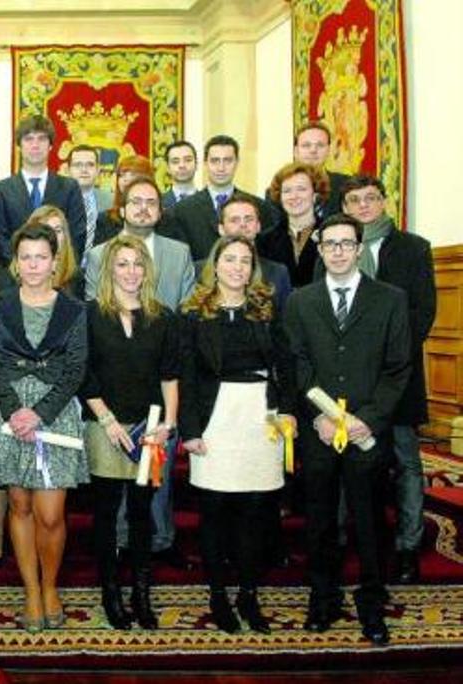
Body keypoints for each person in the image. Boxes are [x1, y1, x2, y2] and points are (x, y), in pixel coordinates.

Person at [284, 213, 411, 645]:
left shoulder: (390, 299)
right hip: (320, 432)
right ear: (319, 251)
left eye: (346, 244)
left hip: (366, 434)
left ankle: (372, 603)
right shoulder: (301, 301)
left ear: (359, 249)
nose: (337, 251)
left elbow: (398, 369)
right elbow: (295, 364)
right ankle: (323, 599)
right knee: (319, 521)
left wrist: (367, 419)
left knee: (370, 522)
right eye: (329, 244)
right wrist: (315, 416)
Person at [180, 236, 296, 635]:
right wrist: (190, 430)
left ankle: (248, 593)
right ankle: (218, 596)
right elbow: (188, 378)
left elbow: (287, 365)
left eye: (245, 261)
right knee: (214, 514)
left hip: (260, 420)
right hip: (216, 421)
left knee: (255, 513)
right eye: (229, 259)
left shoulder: (267, 309)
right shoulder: (195, 313)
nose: (237, 267)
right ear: (215, 264)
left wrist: (288, 413)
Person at [0, 224, 89, 632]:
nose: (34, 265)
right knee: (20, 505)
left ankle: (51, 585)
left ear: (55, 261)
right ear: (15, 262)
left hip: (54, 413)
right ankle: (31, 592)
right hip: (8, 412)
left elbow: (76, 366)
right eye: (26, 257)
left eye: (41, 256)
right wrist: (14, 411)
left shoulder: (74, 309)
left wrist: (39, 412)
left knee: (50, 513)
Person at [80, 234, 180, 631]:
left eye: (137, 264)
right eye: (122, 264)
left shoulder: (162, 316)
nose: (131, 272)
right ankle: (111, 593)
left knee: (142, 515)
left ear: (147, 270)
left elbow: (170, 375)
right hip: (105, 425)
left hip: (149, 428)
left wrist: (167, 426)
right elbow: (83, 374)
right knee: (105, 514)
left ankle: (141, 592)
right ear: (109, 270)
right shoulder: (90, 314)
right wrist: (106, 420)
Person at [340, 175, 436, 583]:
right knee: (350, 460)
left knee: (406, 463)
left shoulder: (414, 248)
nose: (363, 206)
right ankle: (348, 537)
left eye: (371, 199)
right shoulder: (337, 248)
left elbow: (422, 313)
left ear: (384, 201)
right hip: (348, 381)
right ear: (344, 208)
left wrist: (387, 362)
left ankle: (408, 545)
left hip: (399, 378)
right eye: (354, 201)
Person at [85, 177, 195, 311]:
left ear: (160, 213)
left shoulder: (180, 253)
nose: (144, 208)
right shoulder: (98, 254)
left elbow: (188, 308)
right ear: (122, 211)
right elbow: (94, 310)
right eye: (136, 202)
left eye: (151, 203)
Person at [162, 134, 276, 261]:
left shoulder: (259, 207)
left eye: (227, 161)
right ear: (205, 163)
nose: (221, 168)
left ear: (237, 162)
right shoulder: (182, 211)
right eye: (215, 161)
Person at [0, 115, 86, 263]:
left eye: (41, 139)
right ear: (19, 146)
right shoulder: (0, 190)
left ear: (50, 146)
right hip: (14, 276)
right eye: (28, 139)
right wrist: (24, 267)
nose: (35, 145)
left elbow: (76, 236)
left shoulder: (69, 188)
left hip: (59, 277)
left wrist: (56, 268)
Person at [209, 193, 293, 308]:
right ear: (221, 229)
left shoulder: (278, 273)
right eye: (234, 220)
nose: (243, 225)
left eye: (248, 219)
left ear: (258, 226)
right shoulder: (198, 271)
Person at [257, 162, 330, 288]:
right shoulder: (264, 241)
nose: (294, 196)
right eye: (287, 191)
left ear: (315, 195)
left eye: (301, 189)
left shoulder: (330, 235)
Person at [293, 121, 348, 219]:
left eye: (320, 145)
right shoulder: (278, 190)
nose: (313, 150)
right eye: (306, 145)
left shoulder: (346, 185)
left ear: (329, 149)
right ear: (296, 151)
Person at [65, 144, 111, 263]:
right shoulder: (56, 200)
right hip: (66, 269)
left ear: (98, 170)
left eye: (90, 165)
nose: (84, 170)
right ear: (68, 170)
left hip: (102, 268)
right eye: (78, 165)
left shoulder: (111, 202)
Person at [98, 154, 154, 245]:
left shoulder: (163, 219)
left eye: (133, 174)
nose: (126, 179)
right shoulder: (105, 220)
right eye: (122, 175)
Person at [27, 204, 79, 296]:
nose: (53, 236)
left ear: (65, 236)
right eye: (46, 230)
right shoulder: (15, 275)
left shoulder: (76, 277)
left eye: (58, 231)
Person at [162, 140, 198, 209]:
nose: (182, 165)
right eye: (175, 162)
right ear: (167, 168)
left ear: (196, 164)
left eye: (188, 160)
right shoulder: (159, 203)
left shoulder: (209, 202)